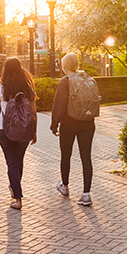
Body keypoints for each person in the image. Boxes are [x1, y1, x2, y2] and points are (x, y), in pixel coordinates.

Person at [0, 57, 38, 210]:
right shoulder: (28, 89)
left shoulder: (0, 89)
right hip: (23, 130)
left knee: (11, 163)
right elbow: (34, 113)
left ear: (5, 70)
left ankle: (18, 198)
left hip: (5, 131)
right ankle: (15, 189)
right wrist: (33, 132)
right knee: (18, 161)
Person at [50, 53, 98, 206]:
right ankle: (86, 194)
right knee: (86, 157)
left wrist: (54, 124)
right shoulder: (89, 79)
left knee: (66, 155)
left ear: (65, 66)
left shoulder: (65, 81)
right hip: (88, 123)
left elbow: (59, 105)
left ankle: (65, 187)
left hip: (69, 123)